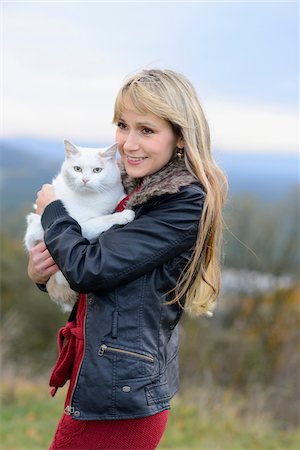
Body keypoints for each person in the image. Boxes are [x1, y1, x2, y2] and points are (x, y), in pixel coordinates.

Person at [28, 68, 228, 450]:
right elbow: (88, 280)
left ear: (181, 137)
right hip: (101, 384)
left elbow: (90, 268)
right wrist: (40, 273)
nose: (128, 143)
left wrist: (53, 213)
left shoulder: (181, 203)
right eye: (123, 125)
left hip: (125, 401)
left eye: (147, 130)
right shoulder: (129, 187)